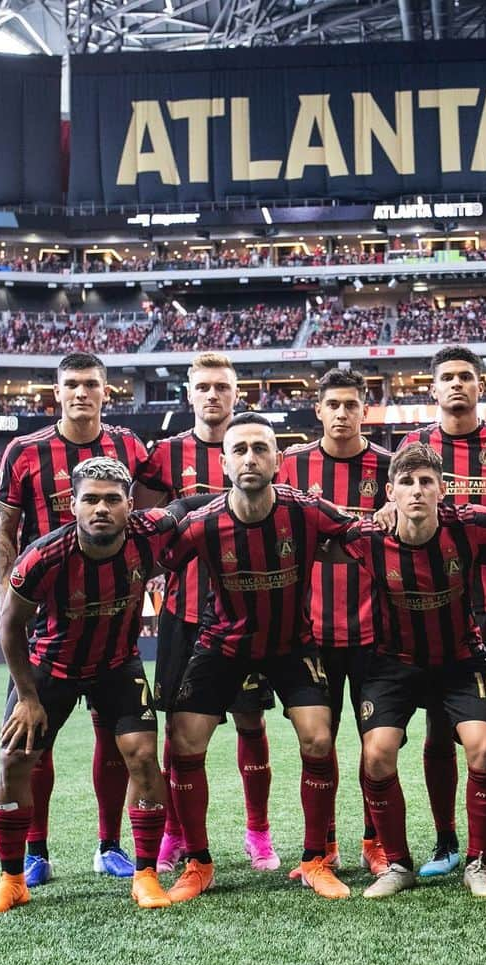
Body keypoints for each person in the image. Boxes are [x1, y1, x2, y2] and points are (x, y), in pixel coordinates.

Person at [158, 413, 354, 902]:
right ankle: (198, 862)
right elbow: (151, 562)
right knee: (184, 744)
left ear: (279, 461)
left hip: (291, 643)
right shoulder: (202, 525)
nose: (250, 457)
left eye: (260, 448)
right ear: (224, 464)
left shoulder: (306, 511)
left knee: (318, 738)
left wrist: (389, 516)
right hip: (222, 643)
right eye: (240, 449)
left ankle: (314, 859)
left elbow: (360, 531)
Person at [0, 458, 186, 914]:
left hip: (117, 664)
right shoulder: (42, 556)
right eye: (90, 498)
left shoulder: (150, 532)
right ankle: (12, 879)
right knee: (15, 757)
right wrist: (28, 697)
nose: (101, 508)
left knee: (145, 757)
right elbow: (9, 628)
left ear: (131, 505)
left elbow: (189, 505)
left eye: (113, 499)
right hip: (50, 666)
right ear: (72, 505)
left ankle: (146, 875)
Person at [0, 352, 157, 887]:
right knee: (34, 738)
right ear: (56, 392)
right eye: (71, 385)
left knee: (115, 739)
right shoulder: (24, 451)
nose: (81, 392)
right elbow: (5, 532)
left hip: (112, 613)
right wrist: (7, 596)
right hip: (48, 617)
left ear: (106, 392)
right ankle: (35, 851)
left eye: (91, 384)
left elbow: (154, 512)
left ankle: (109, 845)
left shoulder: (129, 447)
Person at [327, 442, 486, 899]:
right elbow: (309, 537)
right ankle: (397, 864)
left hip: (460, 659)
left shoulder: (469, 525)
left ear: (442, 490)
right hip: (394, 662)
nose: (416, 491)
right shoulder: (367, 536)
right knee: (376, 755)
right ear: (390, 491)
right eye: (407, 483)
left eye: (426, 482)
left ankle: (477, 863)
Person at [133, 352, 279, 875]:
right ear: (189, 394)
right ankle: (175, 833)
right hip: (184, 610)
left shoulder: (255, 450)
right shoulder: (163, 457)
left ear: (236, 394)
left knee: (249, 717)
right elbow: (146, 526)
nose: (213, 395)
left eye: (222, 387)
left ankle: (257, 833)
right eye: (204, 387)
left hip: (245, 614)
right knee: (179, 730)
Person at [396, 345, 486, 879]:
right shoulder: (413, 445)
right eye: (447, 377)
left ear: (481, 386)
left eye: (466, 377)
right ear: (433, 388)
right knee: (436, 727)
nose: (456, 385)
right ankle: (446, 842)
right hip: (436, 610)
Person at [278, 367, 392, 877]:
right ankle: (321, 847)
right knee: (316, 744)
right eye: (333, 405)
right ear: (318, 410)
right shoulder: (290, 466)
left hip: (376, 632)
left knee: (375, 747)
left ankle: (376, 841)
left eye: (352, 404)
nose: (343, 413)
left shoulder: (391, 468)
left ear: (364, 410)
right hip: (311, 635)